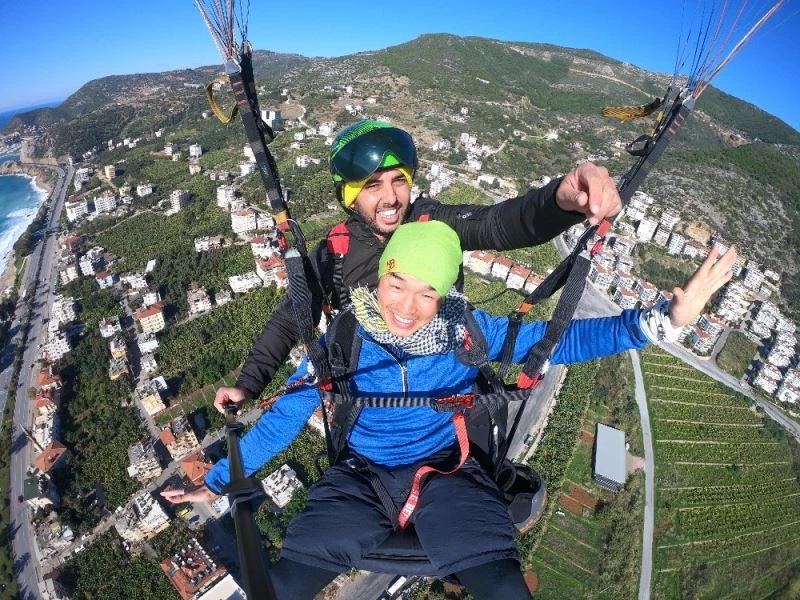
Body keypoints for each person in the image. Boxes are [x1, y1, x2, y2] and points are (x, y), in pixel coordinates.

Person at [164, 221, 737, 600]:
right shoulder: (343, 338)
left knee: (504, 588)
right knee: (278, 590)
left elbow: (555, 342)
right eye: (398, 284)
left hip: (450, 471)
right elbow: (284, 418)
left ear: (445, 295)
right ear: (381, 276)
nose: (407, 306)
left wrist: (662, 321)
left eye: (428, 292)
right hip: (362, 477)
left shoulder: (466, 332)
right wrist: (214, 482)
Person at [214, 119, 624, 412]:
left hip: (445, 384)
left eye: (399, 180)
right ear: (349, 197)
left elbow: (500, 224)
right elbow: (293, 316)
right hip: (376, 393)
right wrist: (249, 384)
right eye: (372, 186)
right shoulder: (335, 251)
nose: (391, 198)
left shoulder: (433, 222)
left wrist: (559, 202)